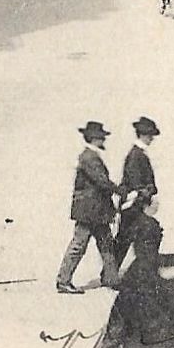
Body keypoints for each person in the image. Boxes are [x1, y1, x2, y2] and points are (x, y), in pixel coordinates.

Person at [99, 194, 174, 348]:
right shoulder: (149, 225)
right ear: (147, 205)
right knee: (161, 313)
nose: (158, 205)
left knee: (129, 316)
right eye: (155, 202)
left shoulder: (138, 222)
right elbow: (149, 257)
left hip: (137, 274)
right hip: (145, 276)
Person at [56, 121, 122, 294]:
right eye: (101, 137)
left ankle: (111, 278)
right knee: (79, 246)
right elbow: (101, 181)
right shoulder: (89, 157)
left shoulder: (90, 156)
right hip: (89, 212)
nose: (103, 140)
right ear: (94, 138)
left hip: (96, 211)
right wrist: (119, 190)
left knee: (106, 244)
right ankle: (63, 281)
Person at [115, 116, 161, 267]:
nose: (152, 139)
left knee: (125, 238)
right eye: (149, 135)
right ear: (142, 135)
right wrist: (148, 192)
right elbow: (135, 183)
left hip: (136, 202)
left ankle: (110, 274)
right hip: (133, 203)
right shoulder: (136, 155)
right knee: (125, 239)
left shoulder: (138, 153)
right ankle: (110, 275)